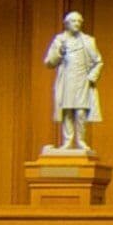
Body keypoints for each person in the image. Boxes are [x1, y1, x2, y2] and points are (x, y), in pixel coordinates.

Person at [43, 12, 103, 154]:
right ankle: (68, 141)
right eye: (73, 21)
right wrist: (59, 52)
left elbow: (98, 61)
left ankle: (81, 140)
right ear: (67, 23)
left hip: (82, 80)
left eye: (79, 21)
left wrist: (92, 77)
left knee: (81, 112)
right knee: (67, 111)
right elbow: (49, 63)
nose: (76, 24)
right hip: (66, 81)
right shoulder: (60, 40)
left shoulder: (88, 41)